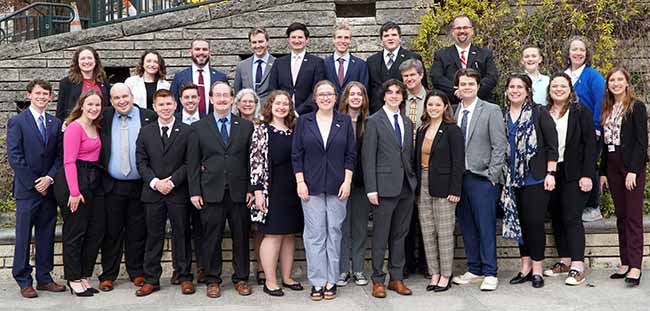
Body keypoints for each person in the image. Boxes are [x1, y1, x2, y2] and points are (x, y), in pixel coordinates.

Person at [188, 81, 255, 298]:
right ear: (210, 98)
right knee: (212, 238)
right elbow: (193, 163)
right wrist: (195, 191)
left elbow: (250, 161)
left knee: (241, 237)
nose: (222, 99)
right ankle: (212, 280)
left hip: (239, 192)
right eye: (218, 95)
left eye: (226, 95)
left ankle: (242, 278)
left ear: (232, 98)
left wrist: (251, 188)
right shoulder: (199, 127)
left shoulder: (245, 126)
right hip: (210, 192)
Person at [292, 80, 355, 301]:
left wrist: (347, 181)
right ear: (315, 98)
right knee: (314, 235)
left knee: (334, 232)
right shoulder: (304, 122)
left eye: (329, 94)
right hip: (311, 186)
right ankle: (317, 282)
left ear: (336, 97)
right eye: (321, 94)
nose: (326, 97)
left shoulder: (345, 121)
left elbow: (350, 154)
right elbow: (296, 154)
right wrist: (300, 182)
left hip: (338, 186)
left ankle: (332, 279)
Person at [134, 89, 195, 296]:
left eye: (169, 104)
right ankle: (152, 279)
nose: (165, 108)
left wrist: (172, 182)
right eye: (161, 105)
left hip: (178, 192)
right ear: (154, 107)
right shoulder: (146, 131)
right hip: (153, 193)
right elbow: (141, 162)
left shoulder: (187, 131)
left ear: (175, 105)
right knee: (153, 237)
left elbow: (190, 162)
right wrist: (155, 182)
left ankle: (185, 276)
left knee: (182, 234)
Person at [7, 80, 65, 298]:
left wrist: (49, 179)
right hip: (27, 190)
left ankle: (44, 277)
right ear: (29, 95)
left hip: (48, 190)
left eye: (46, 94)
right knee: (23, 235)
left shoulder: (55, 122)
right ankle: (23, 279)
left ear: (50, 97)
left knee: (46, 234)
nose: (42, 97)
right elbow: (15, 157)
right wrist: (34, 182)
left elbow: (59, 156)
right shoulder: (17, 122)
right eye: (38, 93)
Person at [450, 69, 506, 291]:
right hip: (460, 180)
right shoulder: (453, 112)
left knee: (485, 226)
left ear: (478, 85)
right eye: (462, 84)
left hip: (483, 178)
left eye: (470, 84)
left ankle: (490, 271)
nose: (466, 87)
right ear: (457, 88)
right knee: (467, 226)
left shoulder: (490, 110)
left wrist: (493, 175)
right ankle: (474, 268)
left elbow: (499, 145)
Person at [97, 83, 157, 292]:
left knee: (137, 231)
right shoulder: (103, 117)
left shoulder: (148, 116)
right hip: (112, 184)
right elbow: (81, 119)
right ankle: (108, 275)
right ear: (111, 101)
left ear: (132, 96)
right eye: (116, 98)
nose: (121, 101)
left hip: (140, 185)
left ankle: (136, 272)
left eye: (125, 96)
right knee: (112, 232)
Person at [500, 74, 558, 289]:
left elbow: (552, 144)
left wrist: (551, 173)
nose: (515, 90)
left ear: (527, 91)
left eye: (519, 87)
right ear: (506, 90)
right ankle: (524, 267)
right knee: (520, 224)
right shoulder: (502, 114)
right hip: (511, 179)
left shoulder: (539, 112)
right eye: (511, 86)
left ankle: (537, 270)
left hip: (535, 178)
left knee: (534, 224)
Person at [362, 79, 416, 298]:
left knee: (400, 235)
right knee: (381, 236)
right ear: (384, 96)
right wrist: (371, 189)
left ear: (403, 97)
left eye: (398, 93)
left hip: (406, 187)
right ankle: (377, 280)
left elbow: (408, 155)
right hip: (383, 188)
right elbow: (368, 158)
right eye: (390, 92)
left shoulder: (407, 122)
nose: (394, 95)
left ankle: (396, 278)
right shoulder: (374, 121)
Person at [543, 72, 596, 286]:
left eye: (562, 85)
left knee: (572, 217)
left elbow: (591, 144)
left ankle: (577, 266)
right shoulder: (544, 112)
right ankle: (564, 260)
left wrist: (587, 174)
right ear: (549, 90)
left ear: (570, 89)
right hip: (552, 171)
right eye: (554, 86)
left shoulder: (580, 111)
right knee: (557, 216)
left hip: (575, 172)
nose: (558, 89)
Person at [250, 90, 304, 297]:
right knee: (272, 234)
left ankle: (287, 277)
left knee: (289, 234)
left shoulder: (294, 130)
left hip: (293, 190)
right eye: (277, 104)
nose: (281, 107)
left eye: (285, 104)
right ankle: (270, 280)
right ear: (270, 106)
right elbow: (255, 162)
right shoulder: (261, 130)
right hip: (271, 189)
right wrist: (257, 191)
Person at [54, 90, 106, 297]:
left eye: (98, 105)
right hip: (73, 180)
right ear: (82, 105)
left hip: (93, 178)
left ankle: (84, 275)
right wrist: (74, 192)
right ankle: (73, 278)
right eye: (90, 104)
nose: (94, 108)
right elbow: (68, 161)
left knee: (95, 230)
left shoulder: (95, 126)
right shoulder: (74, 127)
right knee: (75, 232)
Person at [599, 67, 647, 287]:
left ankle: (636, 265)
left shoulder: (636, 106)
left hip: (630, 167)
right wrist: (602, 172)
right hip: (612, 165)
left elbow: (641, 142)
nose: (616, 83)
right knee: (620, 216)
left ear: (627, 83)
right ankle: (625, 262)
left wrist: (634, 171)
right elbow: (604, 143)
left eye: (620, 80)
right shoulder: (608, 107)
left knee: (633, 217)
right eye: (612, 80)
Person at [414, 90, 464, 292]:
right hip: (423, 184)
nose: (433, 108)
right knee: (427, 231)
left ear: (445, 107)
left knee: (443, 232)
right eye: (430, 104)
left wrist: (455, 189)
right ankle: (433, 273)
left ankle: (445, 274)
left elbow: (458, 162)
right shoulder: (421, 129)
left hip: (445, 187)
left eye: (437, 105)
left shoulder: (452, 130)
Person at [563, 36, 606, 222]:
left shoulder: (593, 76)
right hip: (569, 131)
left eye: (582, 50)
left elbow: (601, 102)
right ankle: (575, 204)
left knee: (590, 165)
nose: (578, 53)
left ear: (587, 53)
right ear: (568, 53)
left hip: (590, 130)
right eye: (574, 49)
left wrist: (596, 127)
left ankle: (593, 206)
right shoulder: (564, 75)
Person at [171, 82, 206, 285]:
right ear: (180, 101)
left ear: (199, 99)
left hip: (202, 183)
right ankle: (180, 268)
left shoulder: (207, 121)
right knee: (180, 227)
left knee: (202, 227)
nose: (191, 100)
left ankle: (203, 267)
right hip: (179, 184)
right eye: (187, 97)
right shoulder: (173, 120)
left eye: (194, 97)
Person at [336, 82, 371, 287]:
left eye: (359, 94)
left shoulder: (371, 121)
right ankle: (342, 271)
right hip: (339, 183)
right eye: (352, 94)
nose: (356, 97)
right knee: (341, 228)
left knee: (359, 228)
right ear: (346, 98)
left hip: (362, 183)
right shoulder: (337, 121)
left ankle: (357, 269)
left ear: (364, 98)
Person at [400, 58, 429, 277]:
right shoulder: (399, 100)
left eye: (412, 75)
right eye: (405, 76)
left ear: (420, 75)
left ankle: (428, 264)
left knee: (426, 216)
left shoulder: (432, 99)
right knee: (406, 216)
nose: (409, 79)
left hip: (426, 163)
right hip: (403, 163)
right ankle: (408, 263)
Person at [429, 15, 498, 107]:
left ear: (472, 30)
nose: (462, 31)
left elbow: (492, 77)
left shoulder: (485, 54)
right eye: (458, 28)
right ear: (452, 32)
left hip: (481, 105)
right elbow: (437, 78)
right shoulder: (441, 55)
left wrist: (472, 92)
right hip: (452, 106)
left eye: (465, 27)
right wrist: (458, 92)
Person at [233, 87, 264, 285]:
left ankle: (262, 269)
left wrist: (255, 188)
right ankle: (242, 272)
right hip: (239, 185)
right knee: (244, 230)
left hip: (259, 185)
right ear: (237, 104)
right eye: (243, 101)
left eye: (251, 101)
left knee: (261, 228)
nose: (247, 104)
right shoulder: (232, 124)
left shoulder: (262, 125)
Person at [367, 22, 427, 114]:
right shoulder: (371, 61)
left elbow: (422, 87)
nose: (390, 38)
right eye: (386, 36)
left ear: (400, 38)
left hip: (404, 111)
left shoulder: (412, 58)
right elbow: (369, 90)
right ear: (381, 39)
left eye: (394, 35)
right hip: (377, 113)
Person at [269, 22, 325, 115]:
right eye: (293, 37)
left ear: (307, 40)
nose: (296, 40)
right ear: (289, 40)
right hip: (282, 113)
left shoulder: (316, 63)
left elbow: (316, 91)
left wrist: (298, 112)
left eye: (300, 37)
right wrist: (282, 107)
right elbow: (273, 89)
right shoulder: (279, 62)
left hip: (308, 114)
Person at [170, 39, 228, 115]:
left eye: (204, 49)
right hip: (187, 125)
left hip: (213, 125)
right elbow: (173, 103)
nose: (201, 52)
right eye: (197, 49)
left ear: (210, 52)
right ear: (190, 52)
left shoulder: (220, 77)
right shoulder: (180, 77)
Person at [56, 46, 111, 120]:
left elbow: (109, 108)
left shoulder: (104, 82)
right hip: (76, 126)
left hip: (101, 127)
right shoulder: (66, 83)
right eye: (83, 58)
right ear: (77, 62)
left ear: (95, 61)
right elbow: (60, 111)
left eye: (89, 58)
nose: (87, 61)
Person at [323, 22, 369, 105]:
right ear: (333, 40)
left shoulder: (361, 65)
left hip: (352, 112)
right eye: (339, 37)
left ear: (350, 40)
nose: (343, 41)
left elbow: (364, 91)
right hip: (329, 111)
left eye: (346, 38)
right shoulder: (324, 64)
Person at [234, 27, 276, 104]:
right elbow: (237, 94)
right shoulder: (242, 66)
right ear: (250, 44)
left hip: (269, 112)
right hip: (247, 111)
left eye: (261, 42)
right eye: (254, 42)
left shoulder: (277, 63)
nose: (257, 45)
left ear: (267, 42)